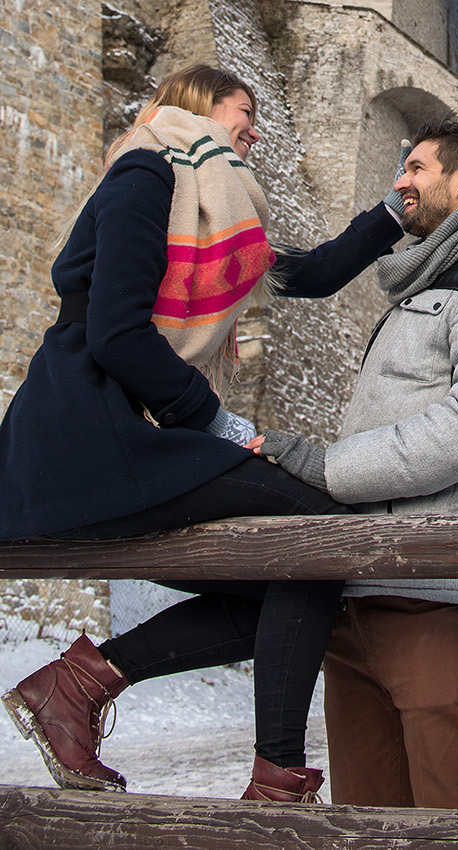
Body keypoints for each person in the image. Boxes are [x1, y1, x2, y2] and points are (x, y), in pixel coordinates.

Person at [0, 62, 406, 804]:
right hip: (82, 437)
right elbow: (117, 333)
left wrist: (388, 215)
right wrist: (215, 419)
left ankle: (80, 685)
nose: (255, 130)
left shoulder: (211, 208)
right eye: (244, 112)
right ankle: (275, 778)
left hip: (118, 434)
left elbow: (308, 274)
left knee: (292, 574)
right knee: (320, 533)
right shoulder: (145, 176)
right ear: (199, 106)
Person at [256, 116, 458, 811]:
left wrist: (331, 470)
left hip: (437, 600)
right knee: (365, 819)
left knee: (455, 817)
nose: (400, 182)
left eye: (416, 168)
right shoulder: (423, 287)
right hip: (361, 593)